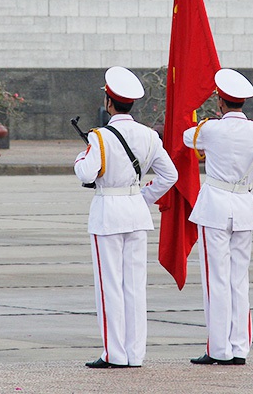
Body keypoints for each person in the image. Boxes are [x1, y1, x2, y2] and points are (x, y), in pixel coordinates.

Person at [183, 68, 253, 366]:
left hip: (215, 208)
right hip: (244, 206)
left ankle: (218, 348)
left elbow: (186, 138)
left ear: (221, 101)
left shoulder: (209, 129)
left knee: (216, 280)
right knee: (238, 281)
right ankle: (239, 347)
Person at [74, 66, 178, 369]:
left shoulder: (100, 137)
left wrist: (81, 156)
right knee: (135, 286)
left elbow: (86, 172)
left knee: (110, 285)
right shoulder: (148, 135)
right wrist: (143, 197)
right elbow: (169, 175)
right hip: (136, 212)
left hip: (108, 212)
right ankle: (135, 354)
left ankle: (114, 354)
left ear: (109, 102)